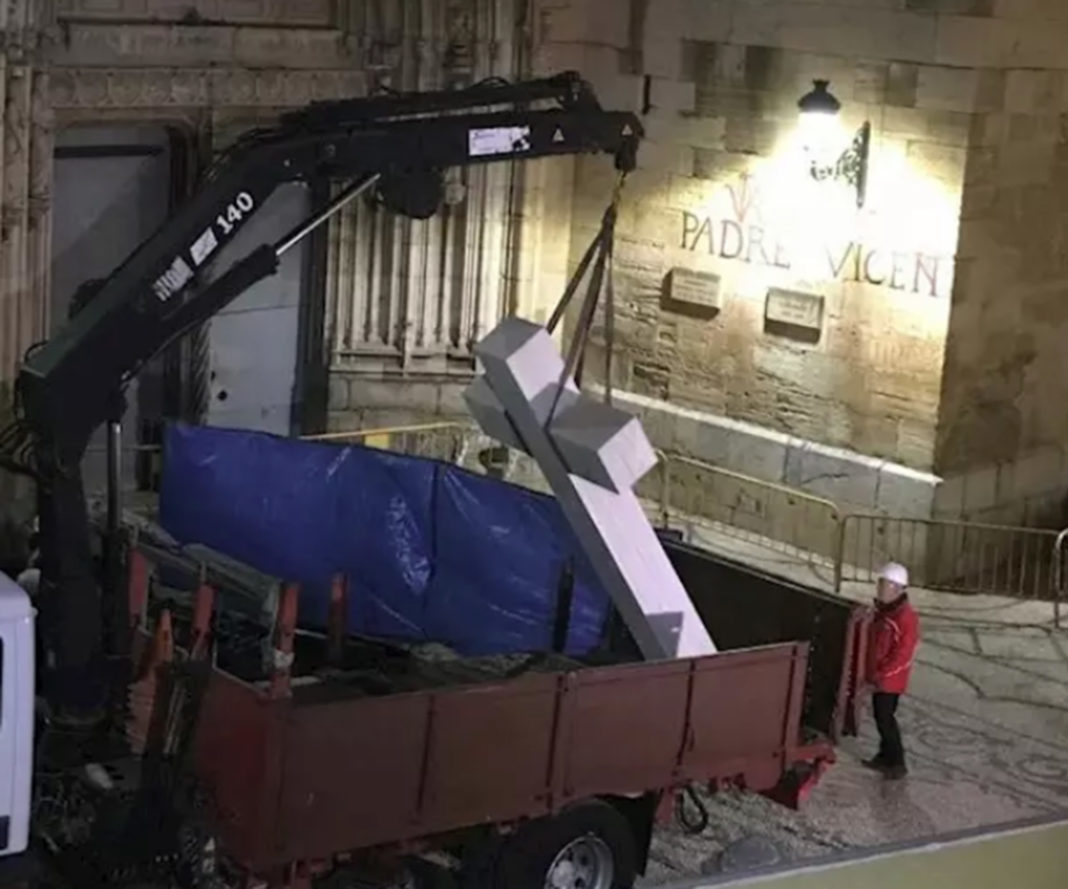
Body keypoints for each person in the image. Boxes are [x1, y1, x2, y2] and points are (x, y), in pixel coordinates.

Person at [863, 561, 920, 780]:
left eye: (883, 585)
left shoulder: (905, 619)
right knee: (882, 716)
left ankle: (896, 761)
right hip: (881, 676)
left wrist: (882, 673)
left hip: (890, 681)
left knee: (885, 717)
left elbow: (903, 655)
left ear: (896, 589)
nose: (879, 589)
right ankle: (885, 755)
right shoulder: (885, 612)